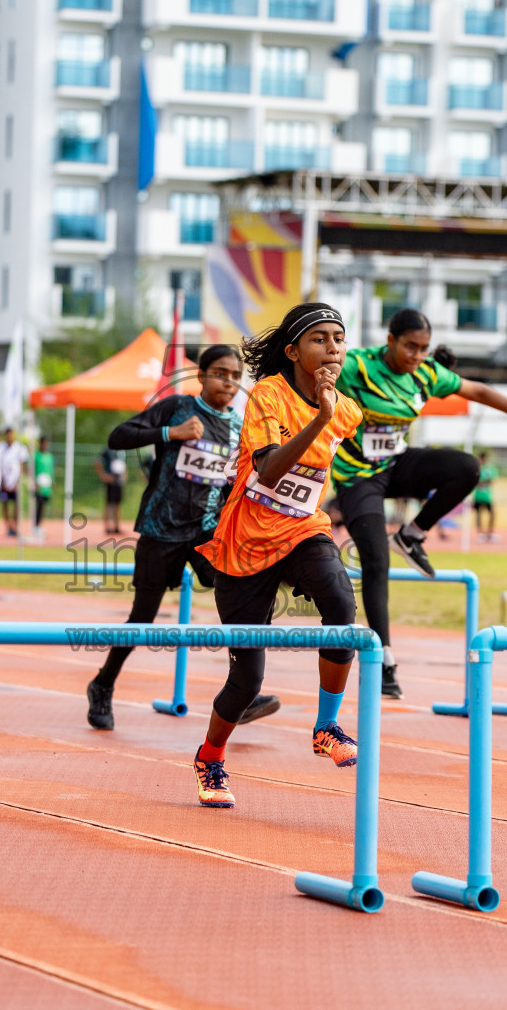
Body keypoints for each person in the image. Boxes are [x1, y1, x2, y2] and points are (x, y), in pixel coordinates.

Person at [188, 302, 364, 809]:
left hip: (303, 530)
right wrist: (319, 419)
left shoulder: (346, 409)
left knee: (340, 601)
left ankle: (327, 725)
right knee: (247, 679)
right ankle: (210, 756)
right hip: (245, 541)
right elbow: (267, 471)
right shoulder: (268, 394)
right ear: (292, 351)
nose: (332, 347)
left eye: (339, 338)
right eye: (319, 339)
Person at [330, 308, 507, 698]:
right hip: (357, 476)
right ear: (390, 339)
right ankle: (384, 660)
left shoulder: (427, 374)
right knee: (375, 562)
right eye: (409, 347)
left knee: (465, 467)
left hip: (396, 464)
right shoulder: (357, 365)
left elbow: (478, 390)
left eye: (423, 348)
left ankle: (412, 534)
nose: (416, 355)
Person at [85, 345, 278, 731]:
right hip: (161, 528)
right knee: (143, 617)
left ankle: (243, 692)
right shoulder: (176, 407)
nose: (228, 382)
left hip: (207, 531)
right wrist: (170, 433)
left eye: (236, 376)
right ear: (202, 376)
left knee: (241, 602)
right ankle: (102, 685)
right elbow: (118, 436)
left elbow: (238, 481)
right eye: (221, 373)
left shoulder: (240, 427)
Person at [0, 427, 29, 537]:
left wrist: (18, 482)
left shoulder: (20, 448)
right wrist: (2, 482)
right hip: (4, 483)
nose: (9, 436)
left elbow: (22, 466)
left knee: (17, 505)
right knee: (5, 505)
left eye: (11, 434)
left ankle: (15, 526)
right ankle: (8, 527)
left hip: (15, 482)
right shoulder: (1, 448)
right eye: (7, 434)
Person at [95, 444, 127, 534]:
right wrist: (104, 476)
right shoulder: (107, 450)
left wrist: (124, 477)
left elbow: (123, 465)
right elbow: (97, 462)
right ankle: (107, 527)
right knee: (109, 504)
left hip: (119, 481)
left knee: (117, 504)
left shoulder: (122, 451)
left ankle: (117, 527)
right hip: (111, 481)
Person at [472, 450, 498, 541]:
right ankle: (480, 534)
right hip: (478, 496)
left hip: (487, 496)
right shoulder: (477, 468)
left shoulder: (490, 469)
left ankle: (489, 533)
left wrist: (482, 482)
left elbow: (491, 481)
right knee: (478, 515)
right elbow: (475, 482)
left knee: (492, 514)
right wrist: (484, 482)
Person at [33, 437, 55, 541]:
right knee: (39, 505)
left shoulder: (50, 457)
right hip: (39, 485)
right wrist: (34, 482)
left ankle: (39, 525)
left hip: (47, 486)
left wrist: (52, 481)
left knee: (44, 506)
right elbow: (32, 470)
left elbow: (51, 470)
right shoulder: (36, 456)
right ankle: (36, 526)